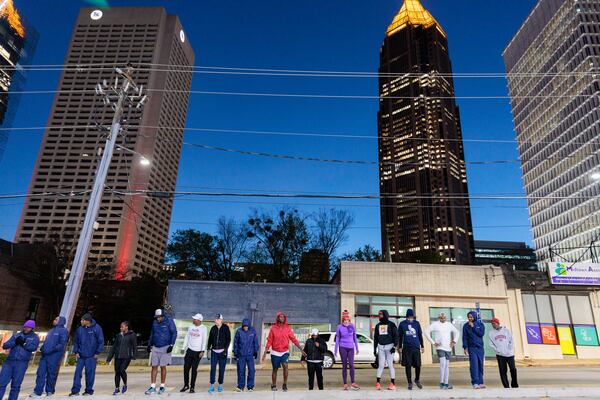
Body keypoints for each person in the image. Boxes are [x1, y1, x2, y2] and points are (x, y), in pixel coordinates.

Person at [262, 312, 305, 392]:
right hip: (275, 352)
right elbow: (269, 341)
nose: (282, 318)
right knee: (275, 369)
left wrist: (301, 349)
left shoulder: (287, 328)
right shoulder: (273, 328)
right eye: (280, 317)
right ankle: (274, 385)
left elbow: (293, 339)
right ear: (277, 318)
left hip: (285, 351)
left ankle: (284, 384)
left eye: (283, 317)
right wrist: (265, 353)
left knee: (285, 366)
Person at [0, 320, 40, 400]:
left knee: (15, 385)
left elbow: (33, 348)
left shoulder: (35, 337)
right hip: (9, 362)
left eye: (28, 327)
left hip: (22, 363)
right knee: (1, 383)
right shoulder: (16, 335)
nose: (26, 328)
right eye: (25, 326)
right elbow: (5, 345)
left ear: (32, 328)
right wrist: (15, 342)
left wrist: (24, 344)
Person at [31, 316, 68, 398]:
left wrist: (51, 350)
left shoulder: (63, 331)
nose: (54, 320)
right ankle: (37, 391)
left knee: (51, 374)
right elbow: (47, 342)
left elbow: (61, 344)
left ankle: (50, 391)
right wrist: (43, 348)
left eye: (56, 319)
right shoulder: (51, 330)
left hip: (54, 356)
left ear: (60, 321)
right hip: (45, 356)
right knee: (40, 373)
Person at [70, 313, 104, 396]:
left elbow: (101, 341)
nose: (81, 321)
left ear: (87, 321)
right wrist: (76, 352)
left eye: (82, 320)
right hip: (81, 356)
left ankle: (88, 391)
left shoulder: (97, 328)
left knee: (90, 374)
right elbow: (76, 341)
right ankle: (75, 391)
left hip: (91, 356)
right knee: (77, 374)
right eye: (81, 320)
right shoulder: (79, 329)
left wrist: (97, 352)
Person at [424, 312, 460, 390]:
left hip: (448, 348)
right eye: (441, 317)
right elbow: (426, 332)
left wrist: (454, 341)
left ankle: (446, 383)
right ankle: (441, 383)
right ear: (439, 318)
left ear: (445, 318)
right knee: (443, 364)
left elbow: (457, 332)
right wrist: (433, 342)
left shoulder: (449, 324)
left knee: (447, 366)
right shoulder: (435, 324)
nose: (443, 319)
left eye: (444, 318)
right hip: (440, 347)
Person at [145, 309, 177, 395]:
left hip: (165, 347)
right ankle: (152, 386)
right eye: (156, 317)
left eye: (159, 317)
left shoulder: (169, 321)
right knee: (154, 366)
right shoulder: (154, 322)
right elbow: (152, 333)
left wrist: (171, 345)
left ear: (163, 316)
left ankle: (162, 386)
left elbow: (174, 333)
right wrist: (149, 344)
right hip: (155, 347)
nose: (157, 319)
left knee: (163, 366)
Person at [106, 321, 137, 396]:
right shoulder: (118, 335)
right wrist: (109, 358)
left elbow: (134, 346)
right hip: (118, 357)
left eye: (122, 327)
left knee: (122, 370)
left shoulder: (132, 335)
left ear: (127, 327)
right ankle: (117, 388)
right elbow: (114, 347)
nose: (120, 328)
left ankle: (125, 384)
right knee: (117, 372)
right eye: (120, 327)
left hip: (126, 356)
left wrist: (134, 355)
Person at [180, 314, 207, 393]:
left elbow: (204, 339)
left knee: (194, 370)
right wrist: (183, 348)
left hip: (198, 352)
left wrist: (202, 351)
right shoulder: (191, 326)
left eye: (194, 319)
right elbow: (187, 337)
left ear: (199, 320)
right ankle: (186, 385)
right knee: (186, 368)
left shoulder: (203, 328)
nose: (193, 320)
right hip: (189, 350)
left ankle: (192, 387)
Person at [398, 309, 424, 390]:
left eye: (412, 317)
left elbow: (419, 334)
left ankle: (417, 379)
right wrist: (399, 347)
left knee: (418, 365)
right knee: (408, 365)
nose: (411, 318)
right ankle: (409, 382)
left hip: (416, 347)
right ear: (407, 316)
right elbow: (400, 336)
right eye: (409, 317)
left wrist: (422, 346)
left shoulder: (417, 323)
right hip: (406, 347)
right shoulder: (402, 324)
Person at [489, 318, 518, 389]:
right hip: (500, 355)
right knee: (502, 371)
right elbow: (491, 344)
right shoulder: (491, 333)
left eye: (494, 323)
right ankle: (506, 386)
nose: (493, 325)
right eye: (492, 324)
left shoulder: (506, 331)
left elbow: (511, 340)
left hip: (509, 354)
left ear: (498, 323)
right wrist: (497, 350)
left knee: (513, 369)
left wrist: (509, 348)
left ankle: (514, 385)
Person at [334, 310, 360, 390]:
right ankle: (345, 383)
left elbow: (354, 337)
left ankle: (353, 382)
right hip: (342, 347)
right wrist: (335, 350)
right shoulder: (339, 327)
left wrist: (357, 347)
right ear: (342, 321)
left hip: (351, 348)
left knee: (351, 365)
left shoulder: (352, 326)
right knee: (344, 365)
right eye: (344, 321)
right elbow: (338, 338)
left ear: (349, 321)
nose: (346, 322)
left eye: (347, 321)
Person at [373, 309, 398, 391]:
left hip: (390, 347)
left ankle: (393, 383)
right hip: (381, 347)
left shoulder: (392, 324)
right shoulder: (377, 326)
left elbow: (396, 336)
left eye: (381, 314)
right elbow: (376, 338)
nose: (379, 316)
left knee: (390, 365)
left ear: (385, 315)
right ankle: (378, 383)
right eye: (379, 314)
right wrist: (374, 348)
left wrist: (394, 347)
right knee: (380, 365)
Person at [207, 314, 231, 394]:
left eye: (217, 319)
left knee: (222, 369)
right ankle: (212, 385)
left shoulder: (225, 328)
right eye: (215, 319)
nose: (215, 320)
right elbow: (210, 339)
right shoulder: (213, 328)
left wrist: (225, 349)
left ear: (221, 320)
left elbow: (229, 339)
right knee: (212, 369)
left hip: (222, 352)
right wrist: (208, 349)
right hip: (214, 352)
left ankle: (220, 385)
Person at [233, 318, 259, 392]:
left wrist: (255, 351)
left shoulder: (252, 331)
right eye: (244, 326)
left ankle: (250, 386)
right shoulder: (239, 331)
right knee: (241, 370)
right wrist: (235, 353)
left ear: (249, 326)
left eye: (247, 326)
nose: (245, 327)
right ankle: (240, 386)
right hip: (241, 355)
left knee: (251, 370)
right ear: (242, 326)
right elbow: (236, 343)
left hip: (250, 355)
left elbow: (255, 342)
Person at [462, 311, 486, 389]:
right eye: (469, 317)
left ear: (475, 316)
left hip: (480, 348)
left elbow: (481, 334)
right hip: (472, 348)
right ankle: (475, 382)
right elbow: (464, 337)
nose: (470, 318)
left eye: (471, 317)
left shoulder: (480, 324)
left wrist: (473, 327)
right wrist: (465, 347)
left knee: (480, 365)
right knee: (474, 365)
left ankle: (481, 382)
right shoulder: (465, 326)